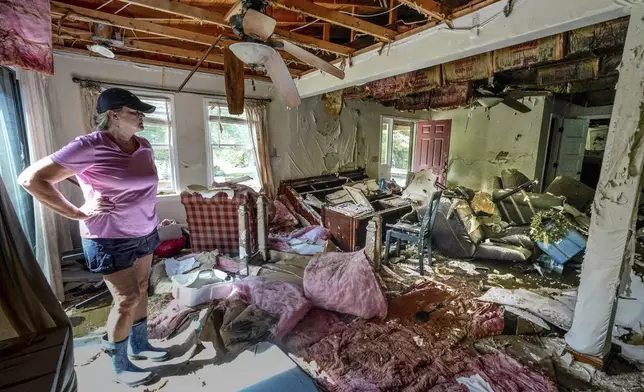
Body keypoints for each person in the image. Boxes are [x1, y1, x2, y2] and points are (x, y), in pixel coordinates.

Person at [19, 88, 169, 387]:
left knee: (141, 289)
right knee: (126, 299)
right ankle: (120, 362)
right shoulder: (90, 145)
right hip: (108, 237)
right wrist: (77, 211)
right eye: (134, 110)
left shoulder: (145, 146)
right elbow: (31, 179)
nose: (141, 116)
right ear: (113, 114)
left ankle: (140, 345)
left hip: (145, 231)